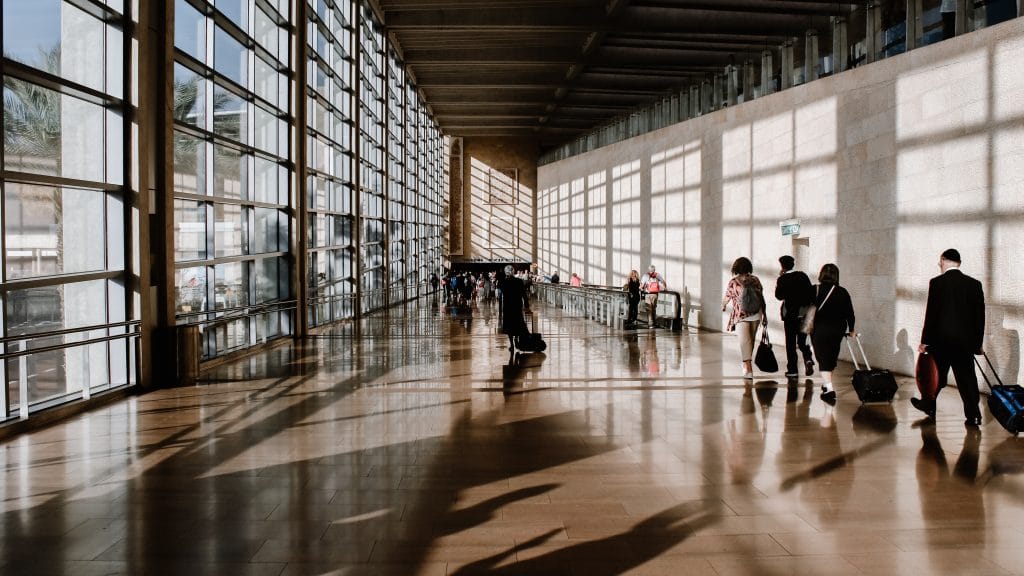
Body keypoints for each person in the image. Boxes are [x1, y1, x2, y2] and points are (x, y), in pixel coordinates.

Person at [911, 249, 985, 427]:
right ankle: (974, 416)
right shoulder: (974, 284)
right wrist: (977, 344)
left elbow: (931, 314)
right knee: (967, 379)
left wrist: (925, 341)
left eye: (940, 261)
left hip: (941, 342)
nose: (939, 265)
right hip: (963, 344)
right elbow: (979, 317)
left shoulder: (937, 283)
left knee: (935, 376)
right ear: (958, 262)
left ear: (944, 260)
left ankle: (928, 405)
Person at [808, 263, 856, 403]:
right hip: (837, 330)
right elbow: (850, 313)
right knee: (831, 358)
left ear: (821, 274)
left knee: (822, 359)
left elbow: (805, 309)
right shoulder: (842, 292)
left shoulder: (814, 290)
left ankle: (829, 390)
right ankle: (826, 383)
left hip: (819, 329)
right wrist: (851, 329)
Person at [722, 257, 764, 379]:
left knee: (744, 342)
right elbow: (761, 297)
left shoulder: (733, 282)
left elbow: (727, 297)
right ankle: (747, 365)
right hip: (756, 314)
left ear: (736, 268)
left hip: (741, 316)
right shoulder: (755, 280)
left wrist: (723, 305)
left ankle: (748, 368)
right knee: (750, 342)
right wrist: (763, 314)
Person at [775, 255, 815, 379]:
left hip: (790, 315)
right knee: (802, 341)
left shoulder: (783, 279)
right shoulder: (802, 276)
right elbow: (810, 293)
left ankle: (793, 370)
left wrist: (780, 278)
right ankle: (808, 358)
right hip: (803, 314)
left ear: (782, 266)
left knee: (790, 343)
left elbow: (779, 296)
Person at [499, 265, 530, 352]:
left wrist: (500, 309)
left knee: (509, 325)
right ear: (513, 271)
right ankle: (516, 339)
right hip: (517, 306)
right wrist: (526, 305)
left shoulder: (503, 282)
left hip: (507, 306)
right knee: (517, 323)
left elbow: (501, 295)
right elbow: (524, 294)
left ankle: (511, 344)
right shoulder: (519, 281)